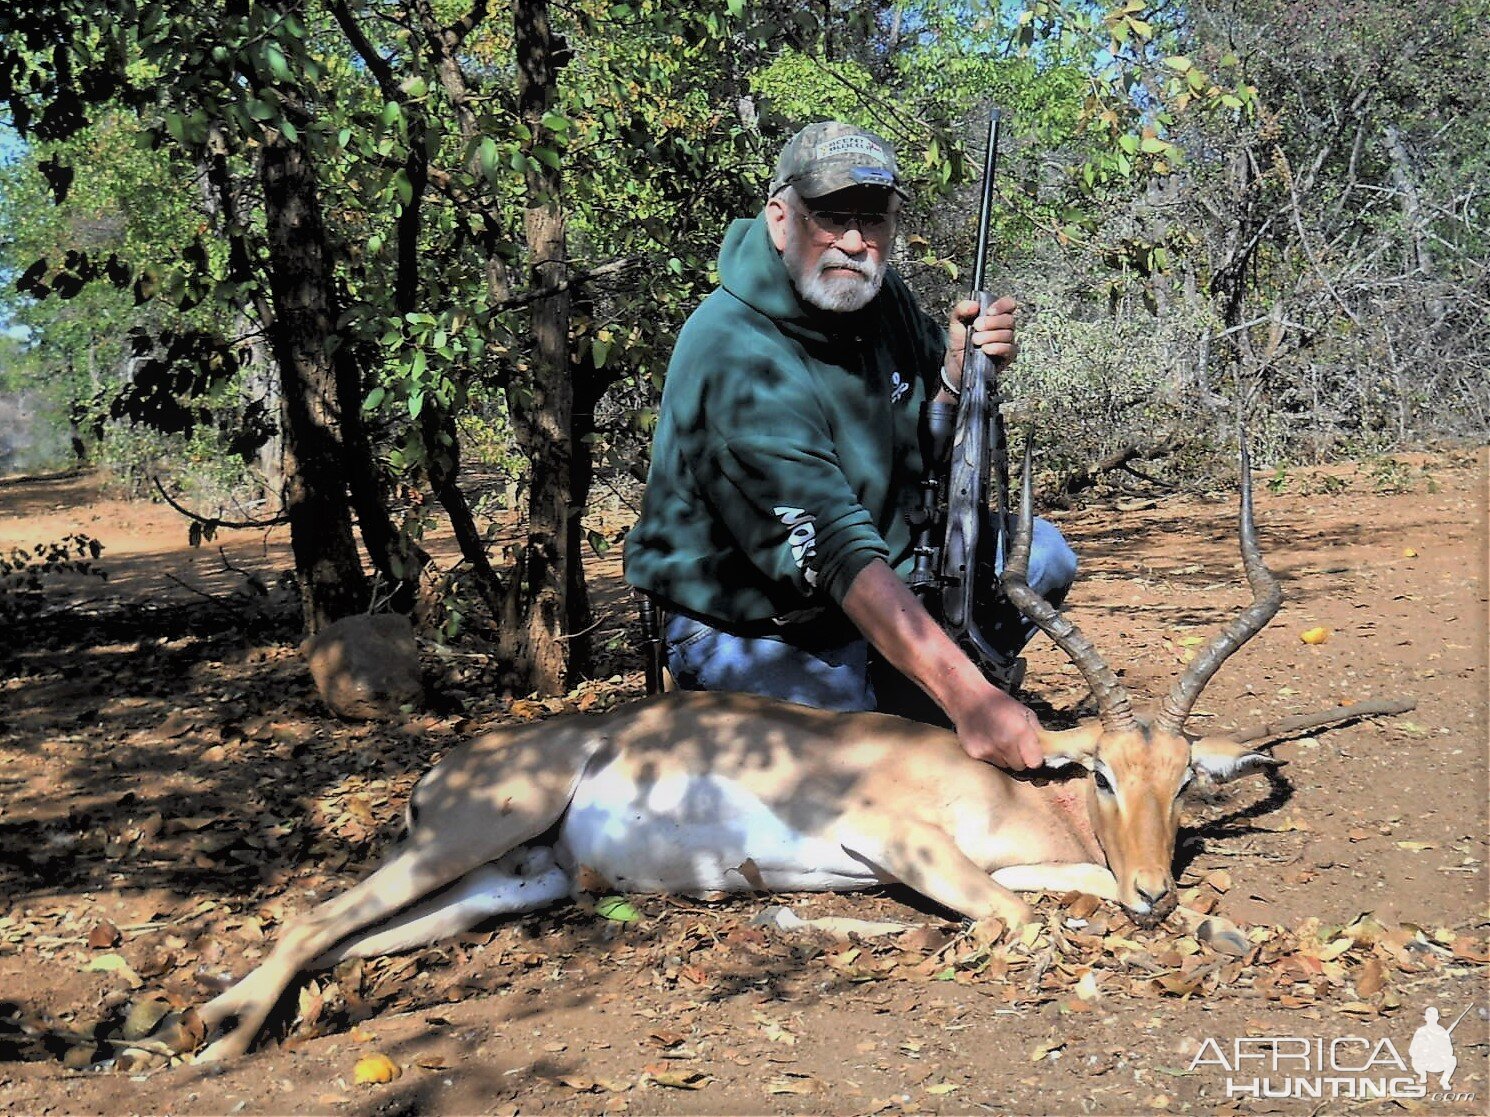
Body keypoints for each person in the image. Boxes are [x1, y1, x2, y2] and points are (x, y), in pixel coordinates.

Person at [624, 121, 1077, 770]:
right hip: (759, 621)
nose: (855, 241)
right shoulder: (732, 351)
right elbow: (835, 550)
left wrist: (957, 371)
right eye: (831, 216)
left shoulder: (879, 297)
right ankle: (912, 698)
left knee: (1044, 557)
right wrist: (966, 694)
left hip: (883, 577)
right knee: (866, 773)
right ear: (781, 219)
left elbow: (934, 440)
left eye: (875, 218)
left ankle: (913, 689)